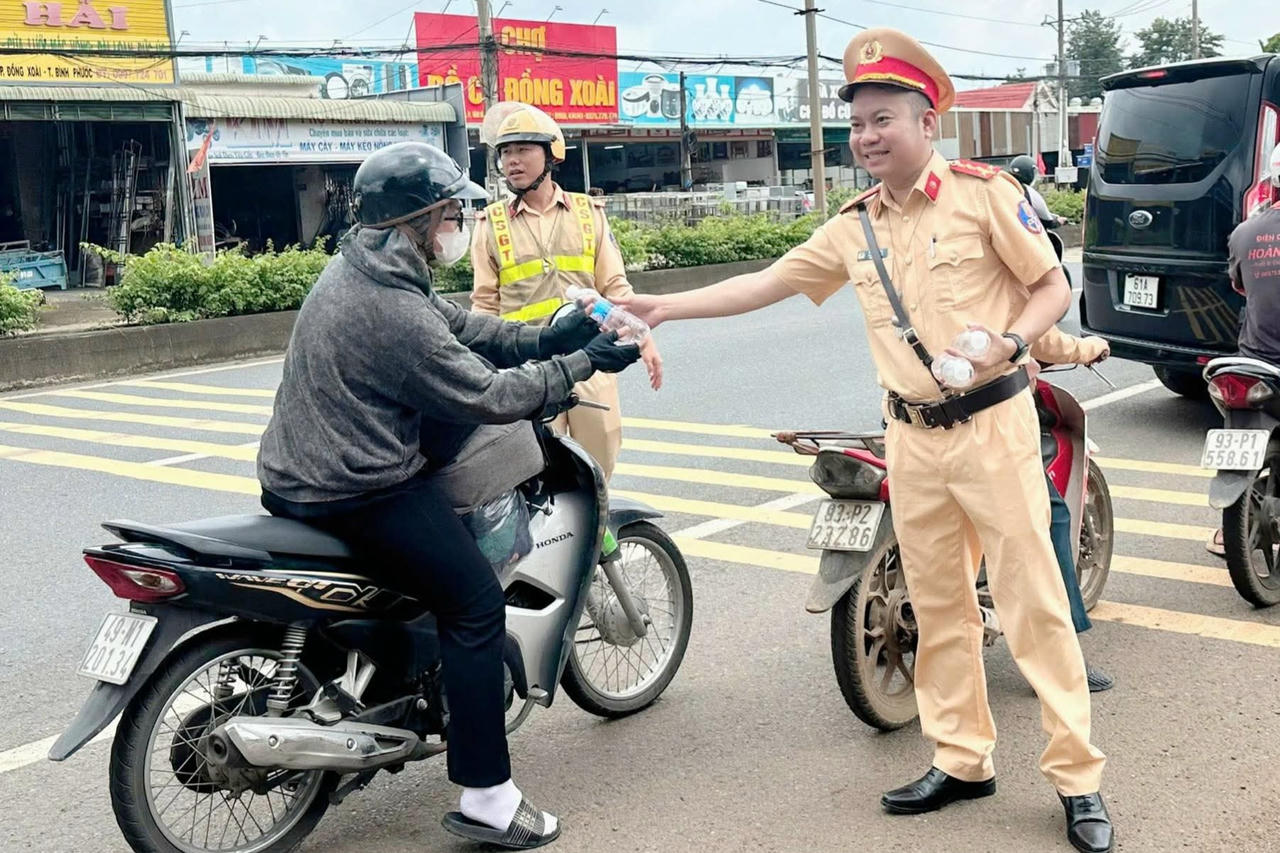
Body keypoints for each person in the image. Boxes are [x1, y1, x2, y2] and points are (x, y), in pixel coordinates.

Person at [619, 29, 1113, 853]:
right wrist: (669, 306)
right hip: (911, 438)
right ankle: (962, 760)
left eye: (882, 119)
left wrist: (1012, 343)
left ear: (927, 122)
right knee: (941, 605)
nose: (866, 137)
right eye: (856, 125)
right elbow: (768, 281)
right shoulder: (853, 227)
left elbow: (1051, 284)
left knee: (1033, 603)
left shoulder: (985, 193)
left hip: (992, 424)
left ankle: (1077, 778)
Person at [256, 141, 641, 850]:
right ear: (423, 217)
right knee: (472, 603)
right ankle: (489, 796)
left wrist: (553, 332)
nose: (460, 222)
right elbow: (489, 395)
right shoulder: (389, 310)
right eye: (453, 212)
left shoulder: (366, 269)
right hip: (354, 487)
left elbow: (464, 327)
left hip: (298, 471)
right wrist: (583, 363)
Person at [470, 103, 662, 482]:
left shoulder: (588, 212)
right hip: (528, 369)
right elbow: (484, 305)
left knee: (597, 469)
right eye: (506, 152)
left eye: (523, 149)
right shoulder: (490, 224)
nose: (512, 160)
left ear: (551, 155)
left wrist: (643, 336)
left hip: (593, 359)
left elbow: (615, 288)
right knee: (538, 473)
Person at [1029, 327, 1115, 692]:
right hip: (981, 427)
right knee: (1052, 520)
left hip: (907, 425)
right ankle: (1058, 662)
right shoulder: (990, 276)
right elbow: (1041, 338)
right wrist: (1088, 348)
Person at [1207, 141, 1280, 558]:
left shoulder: (1245, 232)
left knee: (1240, 432)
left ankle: (1223, 531)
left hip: (1253, 361)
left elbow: (1239, 286)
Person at [1007, 154, 1065, 228]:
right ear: (1029, 173)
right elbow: (1047, 221)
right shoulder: (1027, 191)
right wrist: (1058, 221)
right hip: (1021, 234)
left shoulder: (1003, 186)